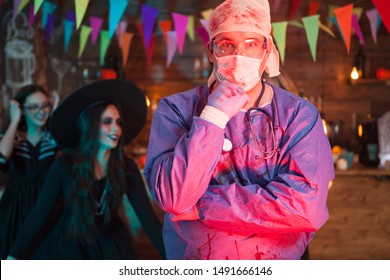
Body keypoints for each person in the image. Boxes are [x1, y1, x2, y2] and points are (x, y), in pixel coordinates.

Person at [144, 0, 334, 260]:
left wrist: (203, 206)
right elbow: (174, 197)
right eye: (226, 44)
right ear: (211, 51)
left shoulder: (298, 115)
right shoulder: (176, 110)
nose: (239, 55)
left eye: (251, 43)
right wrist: (213, 115)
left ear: (267, 49)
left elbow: (304, 207)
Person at [6, 79, 165, 259]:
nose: (116, 128)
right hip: (69, 242)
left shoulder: (126, 167)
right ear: (92, 125)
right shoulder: (65, 165)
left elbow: (148, 219)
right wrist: (12, 256)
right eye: (107, 121)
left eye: (119, 122)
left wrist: (175, 262)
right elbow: (39, 215)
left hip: (109, 243)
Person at [0, 84, 58, 259]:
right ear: (22, 110)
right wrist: (15, 120)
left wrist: (56, 113)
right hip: (16, 208)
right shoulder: (12, 137)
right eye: (33, 107)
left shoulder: (52, 138)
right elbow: (2, 157)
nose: (41, 111)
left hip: (47, 206)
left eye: (45, 105)